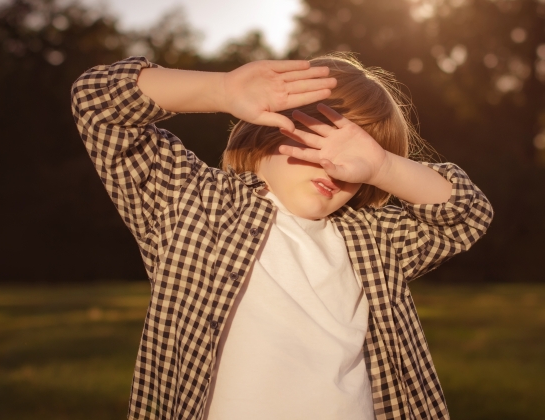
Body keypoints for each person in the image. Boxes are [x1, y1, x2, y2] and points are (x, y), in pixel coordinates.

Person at [71, 52, 493, 420]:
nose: (334, 167)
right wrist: (220, 90)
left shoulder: (372, 237)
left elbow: (466, 216)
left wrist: (384, 167)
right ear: (268, 128)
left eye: (353, 159)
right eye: (319, 141)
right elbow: (96, 102)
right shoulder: (194, 204)